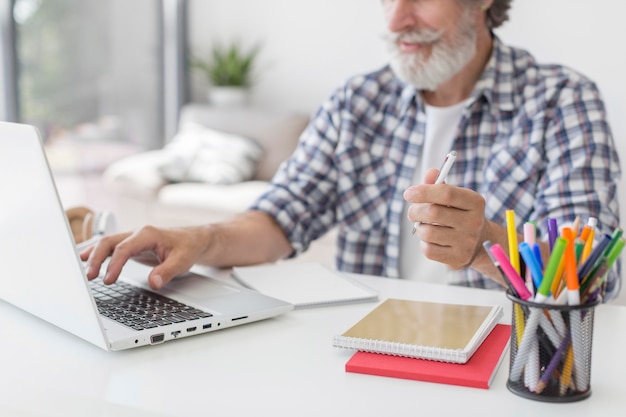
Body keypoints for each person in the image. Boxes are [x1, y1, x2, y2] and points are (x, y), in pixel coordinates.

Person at [84, 0, 621, 298]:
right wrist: (197, 239)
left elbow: (596, 271)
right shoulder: (357, 100)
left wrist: (486, 245)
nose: (395, 20)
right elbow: (280, 220)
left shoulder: (563, 100)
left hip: (509, 358)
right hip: (369, 347)